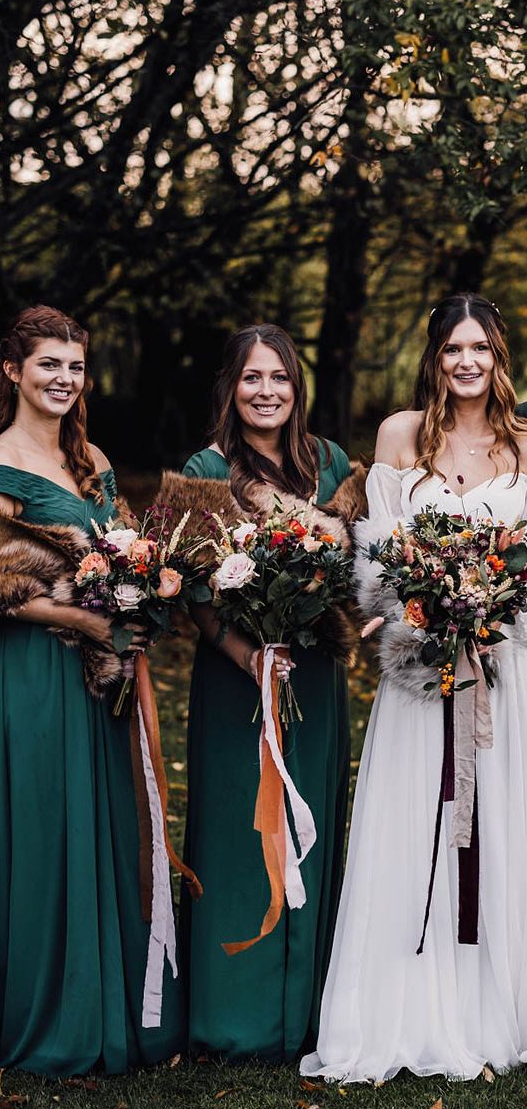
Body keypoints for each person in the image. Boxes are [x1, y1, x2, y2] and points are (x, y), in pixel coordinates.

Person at [301, 293, 527, 1083]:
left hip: (505, 663)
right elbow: (376, 559)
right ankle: (404, 1009)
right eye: (453, 349)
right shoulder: (402, 434)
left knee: (498, 823)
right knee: (415, 821)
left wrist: (493, 608)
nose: (468, 362)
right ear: (434, 358)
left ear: (500, 357)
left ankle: (490, 1004)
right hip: (418, 669)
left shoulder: (525, 442)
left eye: (483, 349)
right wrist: (422, 610)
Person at [0, 305, 184, 1077]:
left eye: (74, 366)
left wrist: (145, 586)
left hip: (102, 676)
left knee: (108, 822)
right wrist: (89, 620)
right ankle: (52, 1016)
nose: (64, 379)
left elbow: (126, 542)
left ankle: (113, 1004)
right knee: (46, 827)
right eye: (48, 365)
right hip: (34, 671)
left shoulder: (92, 459)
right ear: (13, 371)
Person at [179, 324, 352, 1061]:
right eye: (252, 378)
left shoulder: (334, 464)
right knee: (238, 834)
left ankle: (308, 1010)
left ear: (296, 387)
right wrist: (248, 654)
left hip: (313, 675)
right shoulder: (207, 467)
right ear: (232, 386)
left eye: (278, 378)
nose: (266, 391)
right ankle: (234, 1015)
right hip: (237, 684)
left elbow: (353, 567)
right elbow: (194, 589)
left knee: (312, 828)